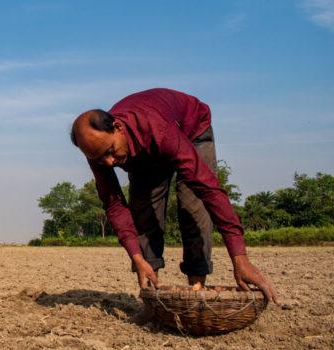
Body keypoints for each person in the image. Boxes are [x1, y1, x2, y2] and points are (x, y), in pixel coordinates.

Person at [70, 88, 278, 303]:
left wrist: (240, 258)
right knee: (143, 213)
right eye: (99, 158)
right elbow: (114, 205)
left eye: (110, 151)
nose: (109, 162)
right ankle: (152, 299)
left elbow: (209, 189)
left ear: (118, 127)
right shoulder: (96, 150)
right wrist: (137, 256)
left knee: (193, 208)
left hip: (192, 130)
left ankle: (197, 295)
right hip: (146, 153)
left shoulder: (158, 130)